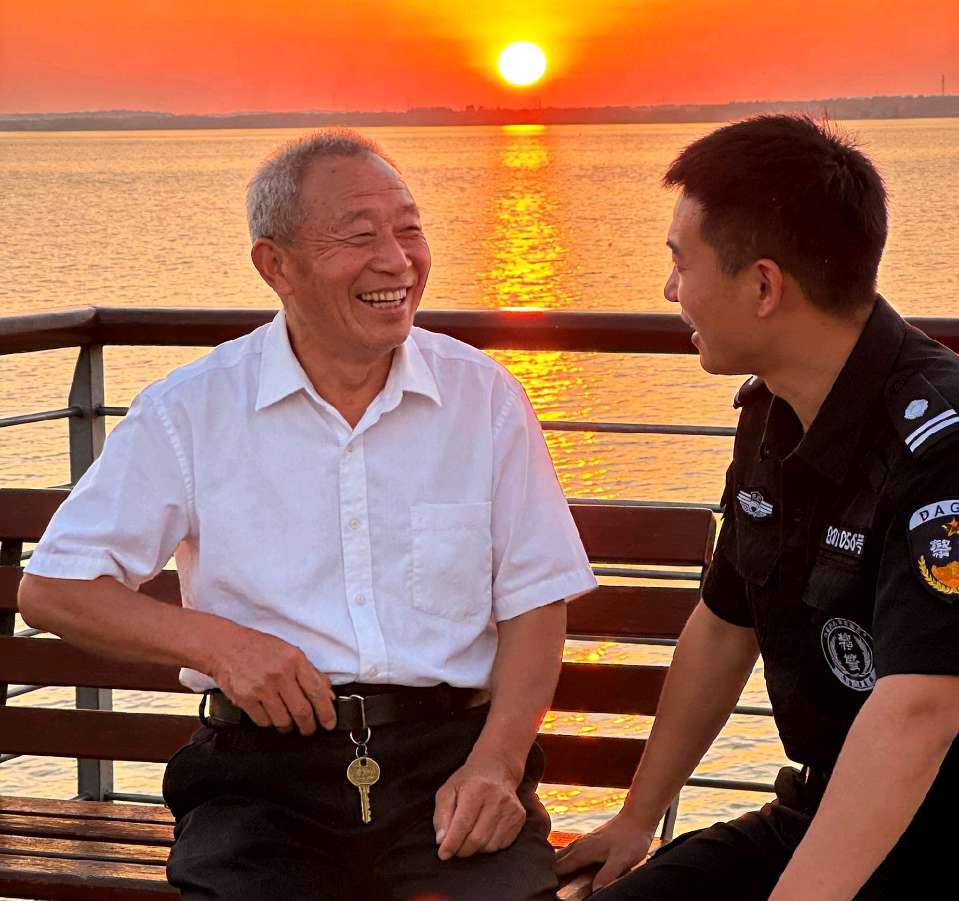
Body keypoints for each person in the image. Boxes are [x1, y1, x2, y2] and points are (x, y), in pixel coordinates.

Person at [18, 128, 598, 900]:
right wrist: (222, 645)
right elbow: (53, 589)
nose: (397, 260)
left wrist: (497, 763)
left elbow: (535, 599)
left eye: (409, 229)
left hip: (449, 763)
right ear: (276, 265)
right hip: (258, 779)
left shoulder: (482, 395)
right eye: (359, 236)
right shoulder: (190, 409)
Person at [555, 115, 959, 900]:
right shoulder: (771, 411)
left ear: (764, 286)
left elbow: (920, 710)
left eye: (681, 263)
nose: (669, 290)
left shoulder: (939, 447)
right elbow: (723, 622)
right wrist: (635, 818)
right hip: (822, 805)